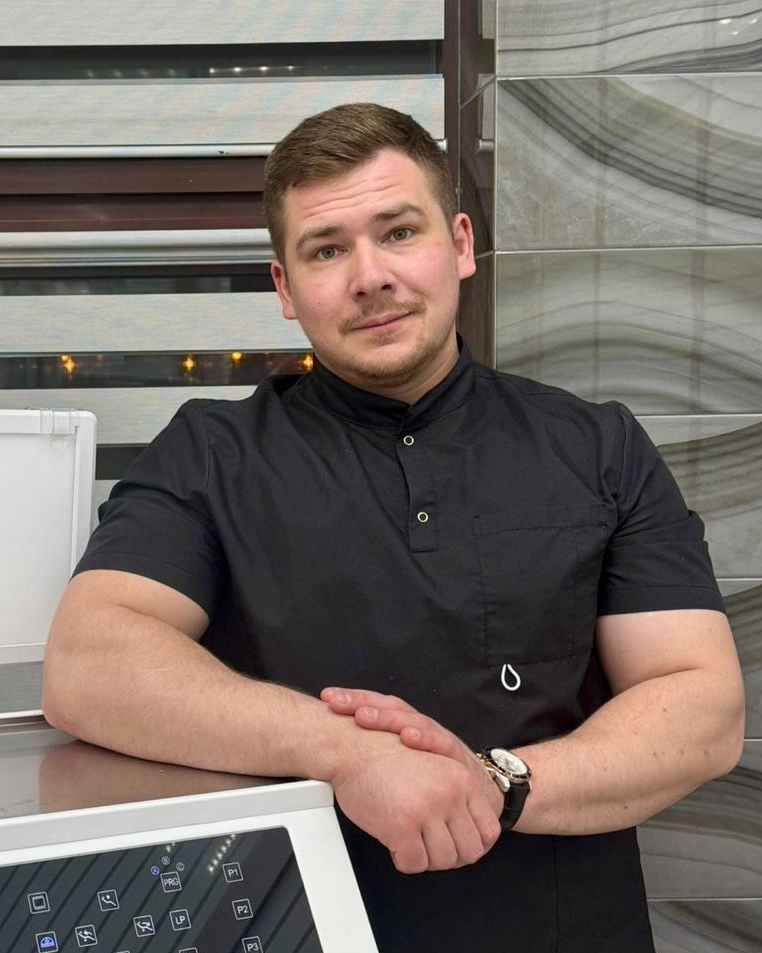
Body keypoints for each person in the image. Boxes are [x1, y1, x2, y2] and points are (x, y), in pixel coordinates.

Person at [43, 102, 745, 953]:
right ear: (285, 289)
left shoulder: (599, 446)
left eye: (399, 232)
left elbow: (702, 704)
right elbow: (87, 663)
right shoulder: (210, 453)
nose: (369, 276)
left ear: (460, 244)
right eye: (326, 250)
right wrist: (348, 752)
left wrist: (495, 783)